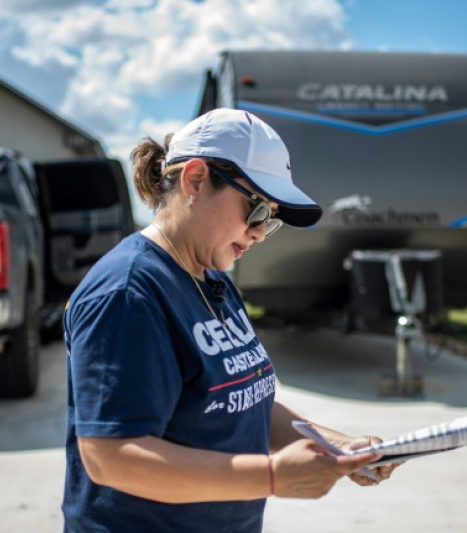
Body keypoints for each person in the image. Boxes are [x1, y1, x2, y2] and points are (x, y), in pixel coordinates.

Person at [62, 108, 402, 532]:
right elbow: (109, 456)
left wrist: (339, 446)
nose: (261, 232)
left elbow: (244, 403)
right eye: (256, 209)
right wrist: (273, 477)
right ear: (195, 180)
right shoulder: (129, 293)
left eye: (271, 218)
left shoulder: (212, 279)